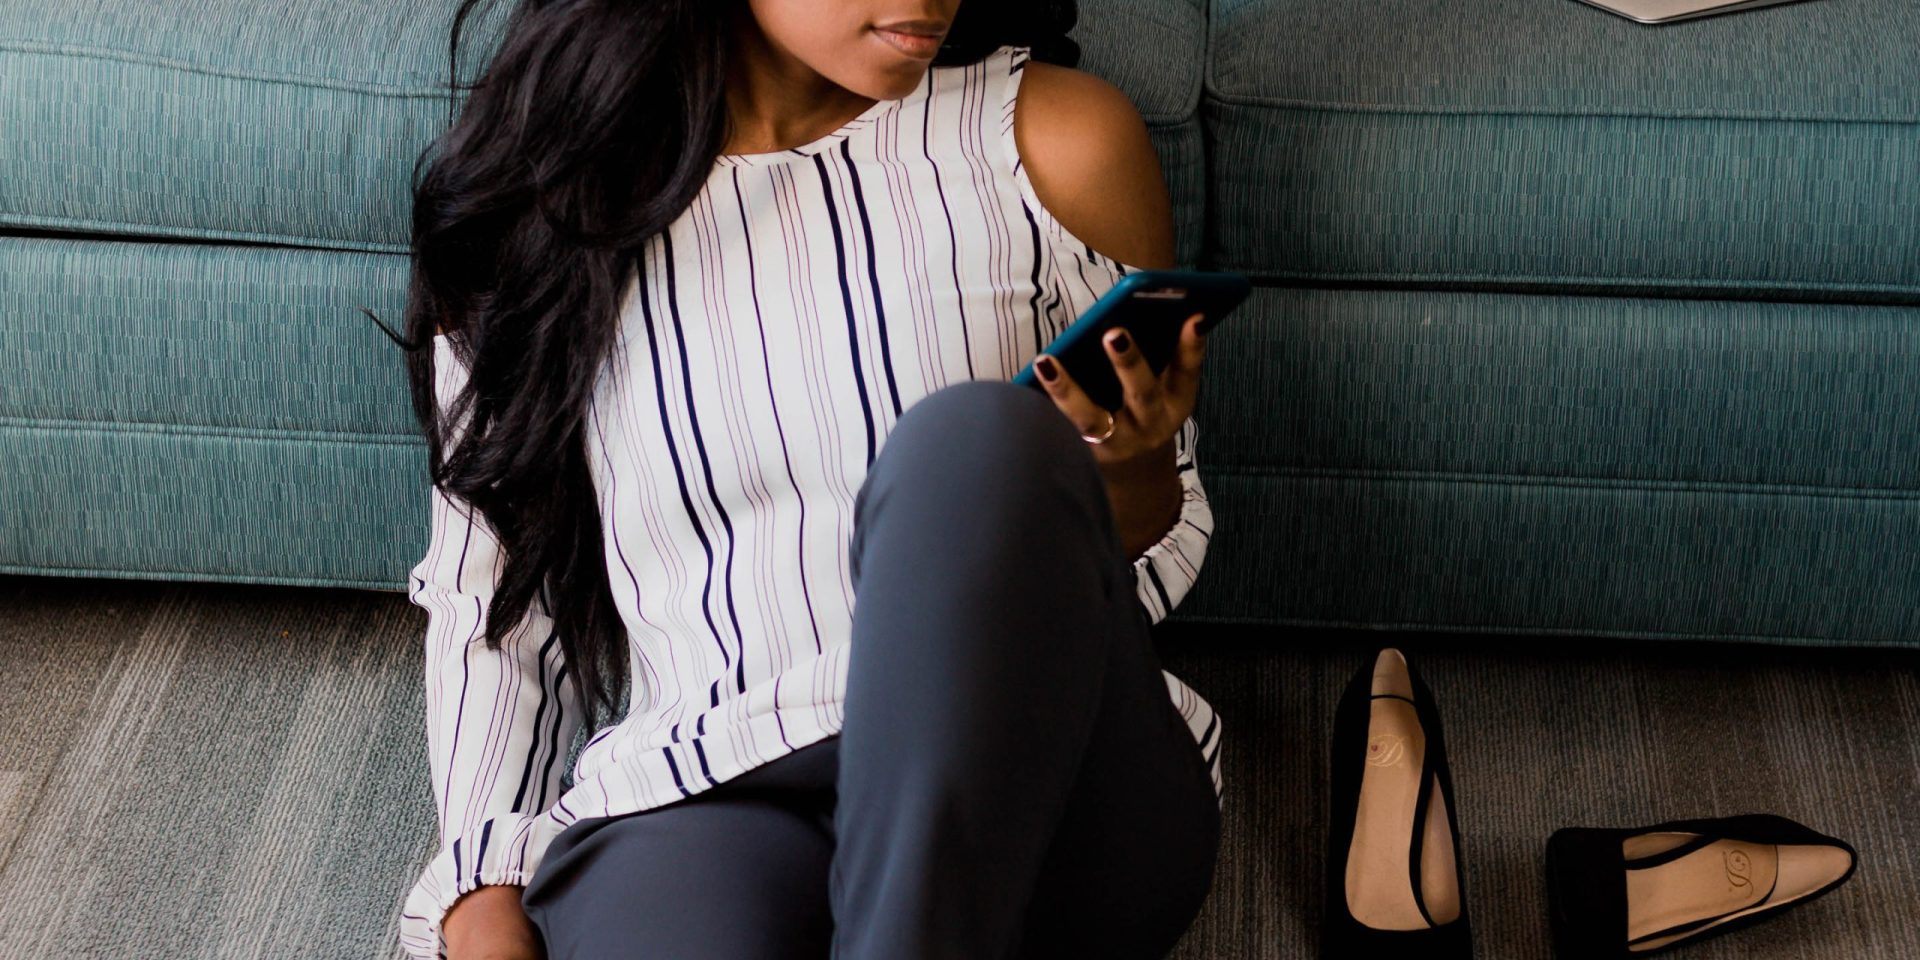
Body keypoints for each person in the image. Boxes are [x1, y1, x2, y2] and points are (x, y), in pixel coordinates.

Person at [382, 1, 1224, 957]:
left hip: (1043, 779)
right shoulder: (542, 202)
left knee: (976, 442)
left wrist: (1131, 463)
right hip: (704, 791)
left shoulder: (1055, 141)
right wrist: (480, 882)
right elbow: (494, 592)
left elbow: (1159, 544)